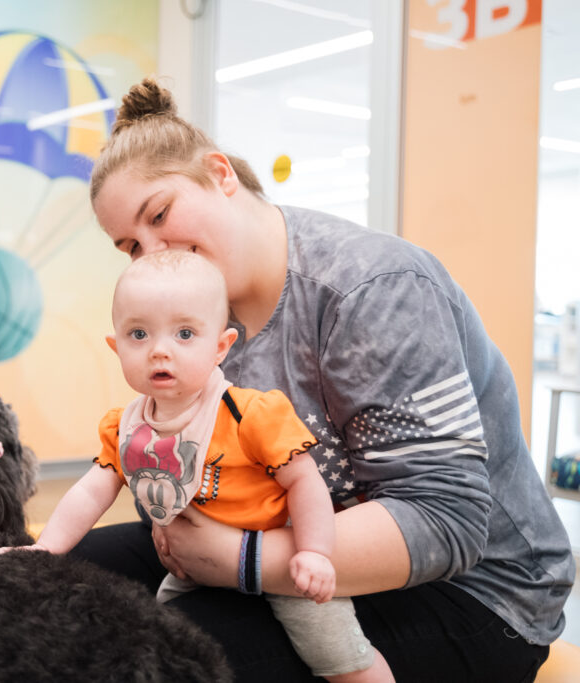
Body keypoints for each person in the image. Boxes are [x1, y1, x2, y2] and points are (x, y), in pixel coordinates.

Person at [68, 77, 576, 682]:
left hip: (480, 594)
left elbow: (449, 522)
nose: (153, 253)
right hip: (292, 551)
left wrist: (240, 559)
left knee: (168, 654)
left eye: (160, 214)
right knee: (62, 582)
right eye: (131, 246)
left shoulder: (372, 289)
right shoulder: (204, 321)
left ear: (220, 174)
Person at [5, 250, 393, 681]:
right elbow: (91, 489)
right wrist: (48, 546)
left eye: (185, 333)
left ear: (221, 346)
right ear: (115, 347)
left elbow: (305, 481)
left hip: (279, 562)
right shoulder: (126, 425)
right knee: (167, 647)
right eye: (139, 334)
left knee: (338, 657)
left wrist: (315, 552)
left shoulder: (250, 415)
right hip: (193, 567)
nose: (159, 352)